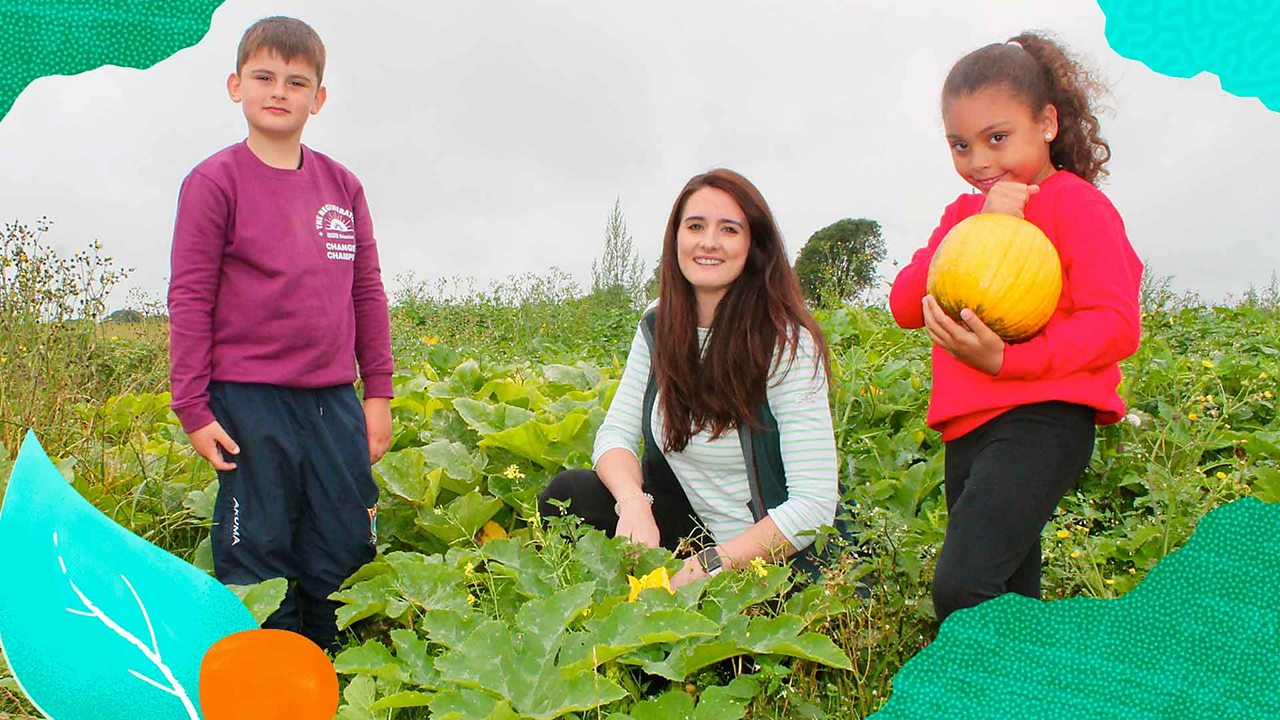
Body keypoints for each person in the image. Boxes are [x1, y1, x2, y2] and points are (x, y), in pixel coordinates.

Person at [889, 32, 1143, 622]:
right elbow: (905, 303)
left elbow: (1115, 326)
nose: (978, 162)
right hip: (967, 429)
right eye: (959, 145)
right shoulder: (962, 215)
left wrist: (1008, 361)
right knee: (1006, 596)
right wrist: (977, 219)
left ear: (1047, 123)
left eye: (996, 138)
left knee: (963, 586)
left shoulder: (1078, 206)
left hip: (1044, 419)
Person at [167, 16, 393, 651]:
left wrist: (377, 394)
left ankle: (336, 669)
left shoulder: (342, 186)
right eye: (264, 77)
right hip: (245, 400)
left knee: (345, 541)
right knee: (257, 546)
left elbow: (367, 293)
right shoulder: (215, 181)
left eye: (297, 82)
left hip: (332, 401)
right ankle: (267, 676)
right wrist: (192, 406)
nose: (279, 91)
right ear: (236, 86)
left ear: (318, 98)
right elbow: (189, 298)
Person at [539, 168, 842, 587]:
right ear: (676, 237)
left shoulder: (786, 343)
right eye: (695, 226)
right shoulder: (657, 325)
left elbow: (813, 505)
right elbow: (614, 437)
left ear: (754, 245)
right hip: (692, 529)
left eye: (729, 229)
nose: (709, 242)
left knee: (725, 641)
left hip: (771, 555)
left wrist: (709, 565)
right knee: (570, 493)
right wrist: (634, 505)